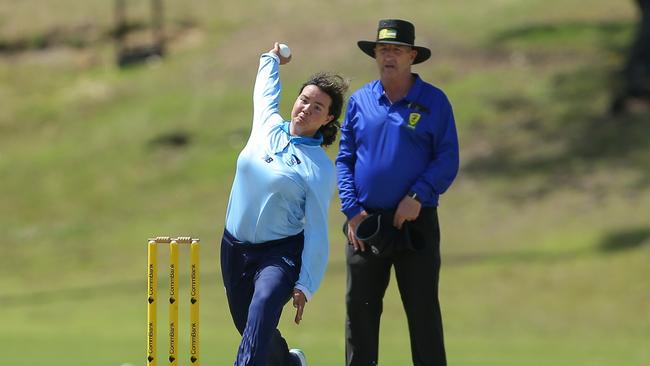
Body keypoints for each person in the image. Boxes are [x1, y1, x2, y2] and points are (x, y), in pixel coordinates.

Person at [336, 19, 460, 365]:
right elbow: (344, 160)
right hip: (366, 224)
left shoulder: (434, 101)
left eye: (397, 50)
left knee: (422, 313)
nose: (388, 56)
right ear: (375, 54)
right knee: (358, 312)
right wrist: (352, 210)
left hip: (415, 222)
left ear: (412, 56)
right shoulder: (361, 101)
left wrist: (417, 196)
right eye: (383, 49)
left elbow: (447, 158)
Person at [220, 42, 348, 366]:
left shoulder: (318, 168)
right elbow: (264, 88)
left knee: (262, 306)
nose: (306, 108)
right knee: (251, 327)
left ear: (328, 118)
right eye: (304, 100)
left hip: (279, 254)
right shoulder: (267, 125)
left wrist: (306, 283)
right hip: (234, 247)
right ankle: (290, 363)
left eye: (317, 107)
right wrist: (273, 57)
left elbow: (318, 231)